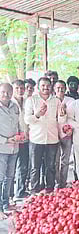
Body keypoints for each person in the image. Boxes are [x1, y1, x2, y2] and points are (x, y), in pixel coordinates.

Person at [24, 77, 66, 194]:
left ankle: (49, 190)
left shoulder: (56, 101)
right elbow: (27, 119)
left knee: (50, 166)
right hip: (36, 138)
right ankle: (34, 191)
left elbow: (61, 120)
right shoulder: (31, 100)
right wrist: (37, 114)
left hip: (52, 138)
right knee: (34, 167)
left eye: (48, 85)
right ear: (38, 87)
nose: (46, 88)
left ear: (51, 87)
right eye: (43, 85)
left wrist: (63, 114)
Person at [0, 83, 22, 219]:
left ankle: (6, 204)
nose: (5, 95)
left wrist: (21, 134)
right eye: (3, 92)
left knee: (10, 177)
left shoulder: (14, 106)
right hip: (2, 148)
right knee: (0, 178)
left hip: (14, 148)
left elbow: (17, 124)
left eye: (8, 92)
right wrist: (7, 140)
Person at [53, 81, 75, 188]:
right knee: (55, 160)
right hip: (54, 133)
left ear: (66, 88)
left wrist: (71, 129)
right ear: (54, 89)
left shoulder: (71, 101)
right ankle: (57, 182)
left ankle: (63, 182)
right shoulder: (51, 101)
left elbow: (73, 117)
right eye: (58, 88)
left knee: (65, 160)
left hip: (67, 133)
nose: (60, 90)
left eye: (62, 88)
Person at [11, 80, 29, 200]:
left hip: (26, 138)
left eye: (22, 88)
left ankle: (20, 191)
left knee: (23, 165)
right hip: (13, 139)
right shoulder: (9, 102)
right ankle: (9, 193)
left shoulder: (28, 101)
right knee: (11, 167)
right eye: (17, 88)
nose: (20, 90)